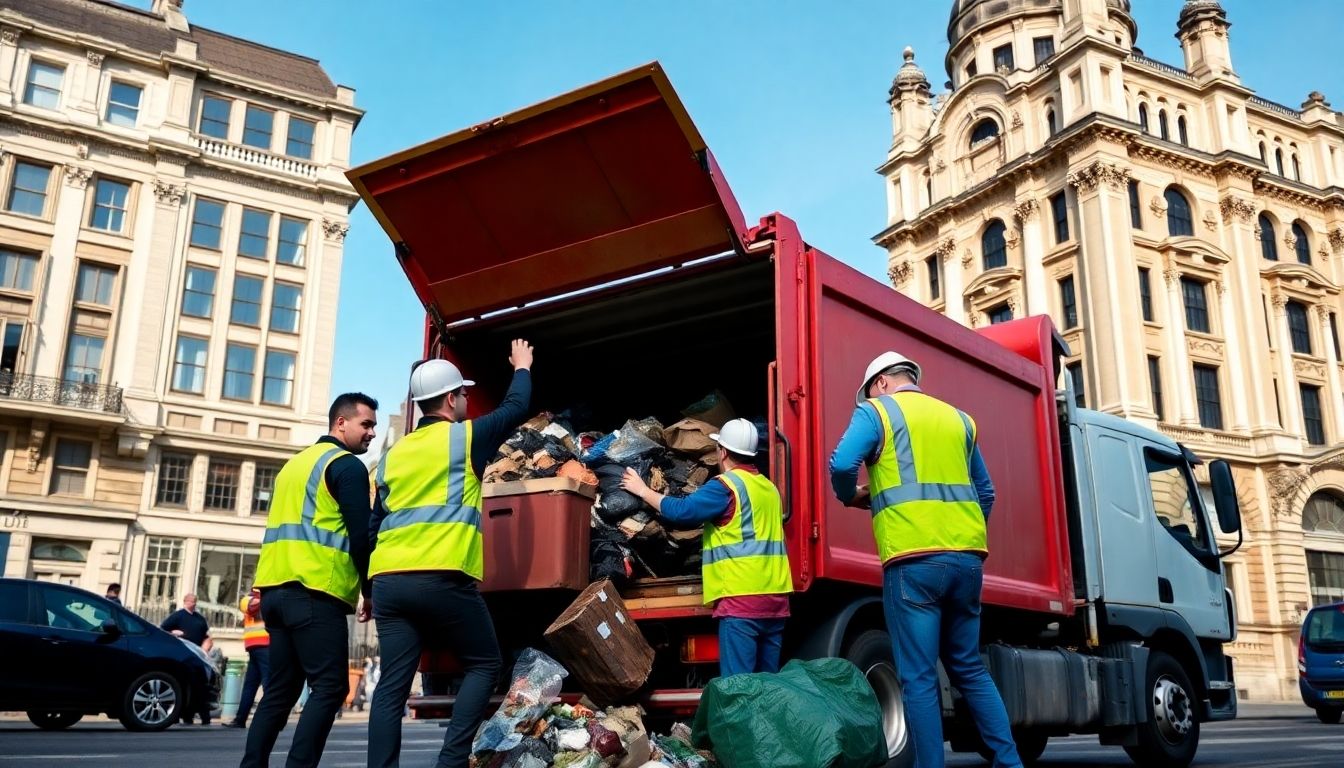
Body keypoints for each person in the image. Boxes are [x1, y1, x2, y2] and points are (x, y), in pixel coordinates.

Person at [829, 352, 1020, 768]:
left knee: (918, 677)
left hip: (912, 561)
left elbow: (843, 463)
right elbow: (985, 493)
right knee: (969, 667)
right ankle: (1010, 762)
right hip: (967, 561)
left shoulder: (877, 411)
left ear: (881, 382)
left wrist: (850, 496)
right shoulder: (960, 419)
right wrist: (961, 533)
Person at [367, 341, 533, 768]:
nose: (466, 401)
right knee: (484, 663)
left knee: (392, 686)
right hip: (442, 576)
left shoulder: (391, 456)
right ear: (448, 399)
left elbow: (375, 524)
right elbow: (515, 408)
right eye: (463, 395)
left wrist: (368, 591)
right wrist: (522, 367)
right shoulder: (465, 438)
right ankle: (451, 761)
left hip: (388, 581)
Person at [241, 393, 378, 768]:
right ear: (341, 423)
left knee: (280, 693)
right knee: (331, 688)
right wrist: (370, 589)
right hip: (315, 591)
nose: (372, 433)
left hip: (275, 593)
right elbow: (362, 536)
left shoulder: (294, 466)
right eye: (366, 424)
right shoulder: (346, 466)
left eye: (374, 426)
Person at [621, 418, 792, 677]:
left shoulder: (726, 487)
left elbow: (682, 512)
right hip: (776, 601)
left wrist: (643, 490)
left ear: (722, 452)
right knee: (767, 686)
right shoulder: (770, 488)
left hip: (742, 602)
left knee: (738, 688)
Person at [163, 594, 213, 724]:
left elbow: (207, 637)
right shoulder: (178, 616)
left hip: (197, 656)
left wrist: (205, 649)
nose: (193, 604)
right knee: (183, 685)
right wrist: (174, 633)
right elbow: (163, 630)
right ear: (185, 602)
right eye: (191, 601)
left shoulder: (200, 619)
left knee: (201, 687)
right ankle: (181, 716)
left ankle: (205, 717)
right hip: (182, 656)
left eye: (195, 602)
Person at [223, 588, 269, 729]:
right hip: (264, 645)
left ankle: (240, 719)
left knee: (250, 685)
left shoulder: (250, 599)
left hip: (254, 646)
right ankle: (267, 719)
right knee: (269, 684)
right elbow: (253, 606)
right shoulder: (249, 599)